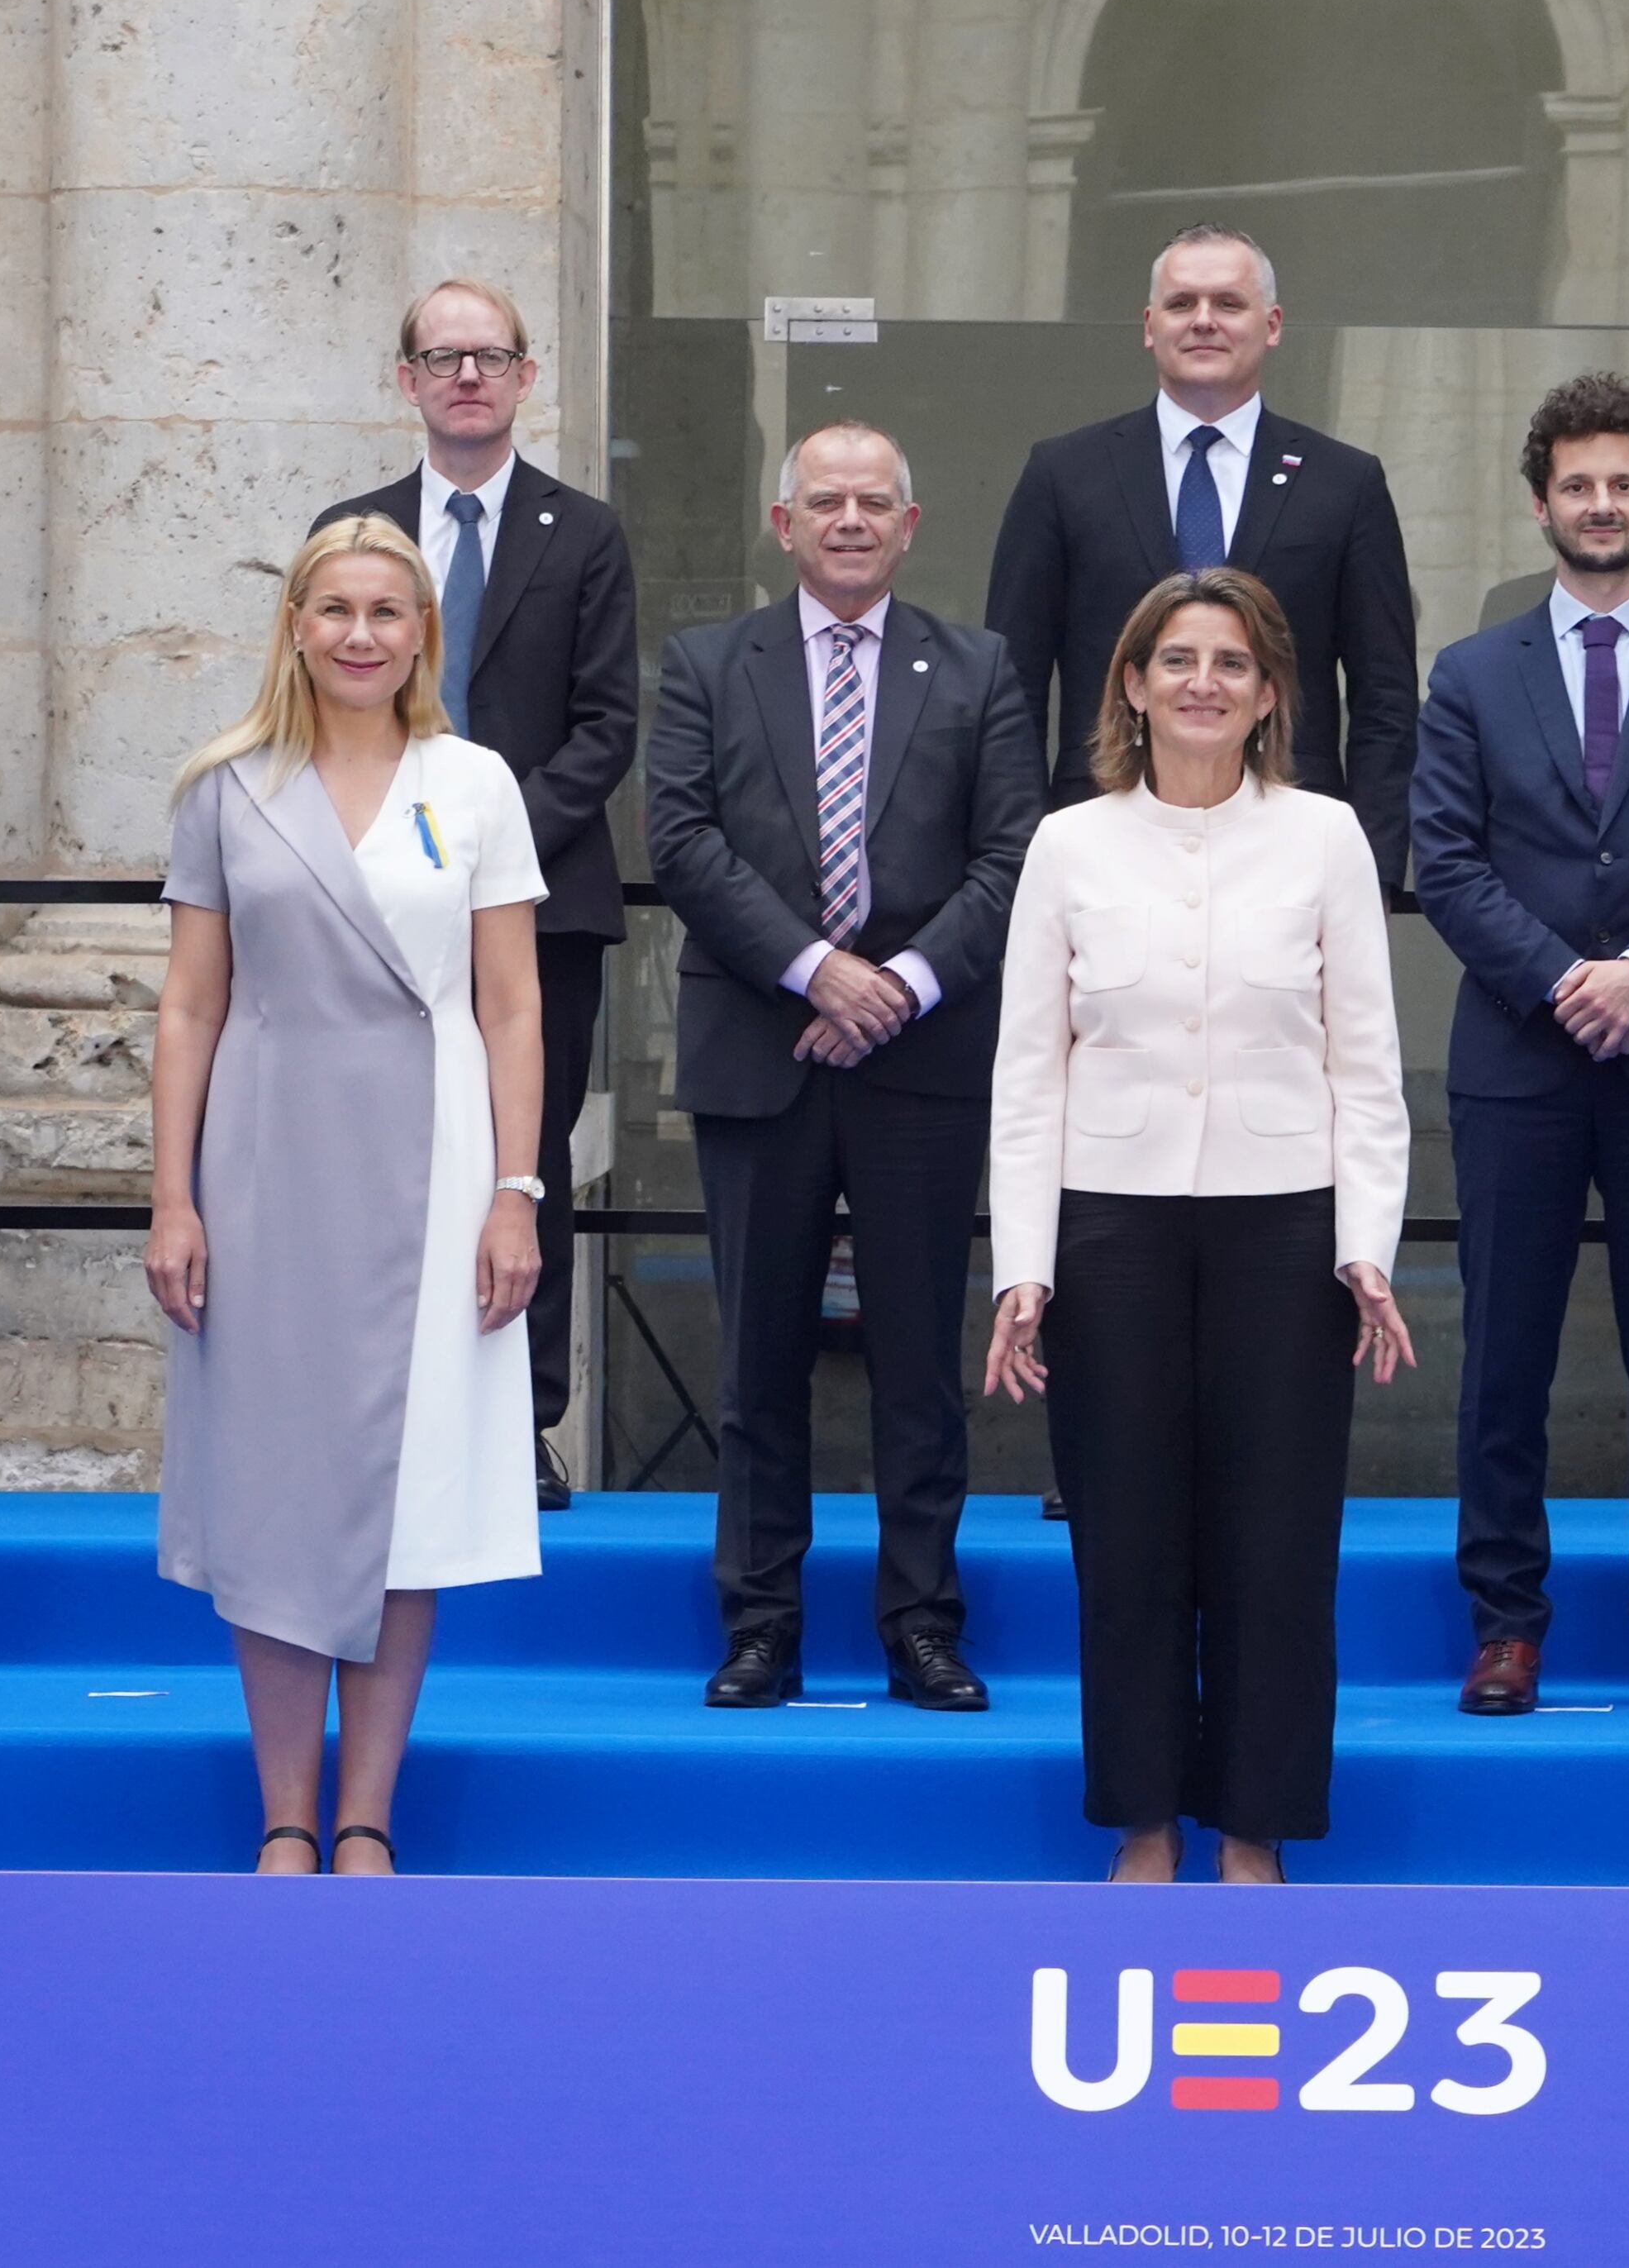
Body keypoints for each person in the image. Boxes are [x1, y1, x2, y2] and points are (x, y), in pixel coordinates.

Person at [980, 567, 1415, 1884]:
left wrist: (1368, 1249)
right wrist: (1024, 1268)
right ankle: (1147, 1819)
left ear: (1272, 691)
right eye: (1177, 659)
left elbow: (1368, 1067)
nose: (1204, 683)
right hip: (1111, 1230)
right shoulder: (1070, 844)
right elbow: (1027, 1071)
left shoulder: (1328, 837)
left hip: (1287, 1234)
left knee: (1278, 1547)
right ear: (1131, 681)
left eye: (1232, 662)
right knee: (1129, 1543)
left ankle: (1255, 1826)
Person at [145, 517, 550, 1876]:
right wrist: (172, 1197)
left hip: (432, 1164)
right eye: (338, 609)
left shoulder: (476, 781)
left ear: (422, 632)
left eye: (390, 610)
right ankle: (282, 1816)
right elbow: (193, 1004)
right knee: (271, 1485)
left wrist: (516, 1189)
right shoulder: (226, 787)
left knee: (408, 1487)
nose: (363, 634)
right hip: (263, 1161)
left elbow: (511, 1003)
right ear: (298, 625)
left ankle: (366, 1813)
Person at [644, 422, 1040, 1711]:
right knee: (759, 1361)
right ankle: (761, 1623)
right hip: (762, 1052)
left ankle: (922, 1621)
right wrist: (819, 972)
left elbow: (1008, 854)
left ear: (910, 525)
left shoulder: (978, 668)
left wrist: (900, 987)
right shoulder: (709, 662)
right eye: (829, 501)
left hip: (921, 1061)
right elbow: (684, 839)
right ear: (785, 521)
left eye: (877, 501)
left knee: (921, 1360)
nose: (853, 519)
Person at [1412, 374, 1629, 1719]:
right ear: (1541, 500)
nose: (1602, 505)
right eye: (1578, 485)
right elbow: (1443, 860)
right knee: (1503, 1352)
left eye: (1625, 485)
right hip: (1519, 1060)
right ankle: (1507, 1620)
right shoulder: (1473, 670)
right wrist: (1568, 978)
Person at [314, 284, 638, 1512]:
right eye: (442, 357)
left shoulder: (584, 532)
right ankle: (379, 1406)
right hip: (375, 912)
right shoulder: (353, 533)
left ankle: (522, 1417)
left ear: (525, 375)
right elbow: (320, 715)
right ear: (406, 379)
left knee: (523, 1158)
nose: (466, 376)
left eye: (489, 356)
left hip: (540, 909)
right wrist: (413, 861)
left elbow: (608, 728)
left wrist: (480, 854)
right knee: (377, 1155)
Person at [985, 228, 1419, 894]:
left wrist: (1371, 875)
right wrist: (1026, 861)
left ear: (1272, 325)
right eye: (1183, 303)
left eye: (1228, 302)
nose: (1204, 321)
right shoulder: (1063, 474)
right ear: (1149, 325)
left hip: (1292, 847)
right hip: (1103, 839)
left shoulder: (1345, 482)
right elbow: (1012, 687)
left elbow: (1385, 699)